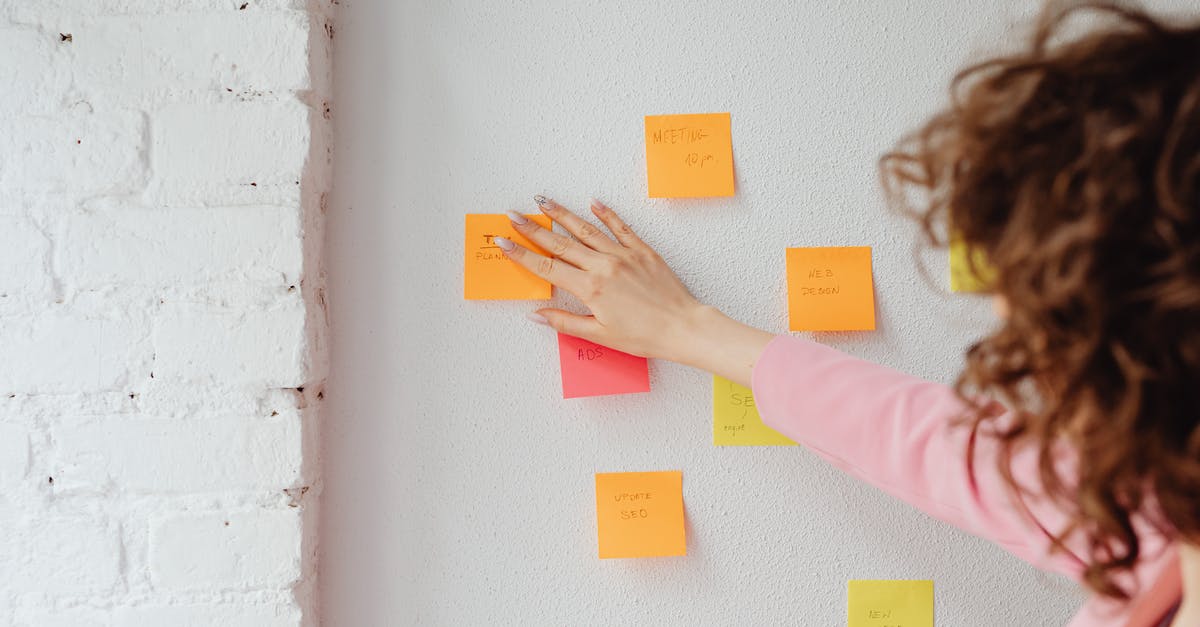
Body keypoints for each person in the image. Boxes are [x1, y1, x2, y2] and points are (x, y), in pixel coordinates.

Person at [491, 2, 1199, 625]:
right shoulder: (1156, 511)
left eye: (1045, 339)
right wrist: (685, 328)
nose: (1025, 371)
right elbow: (958, 453)